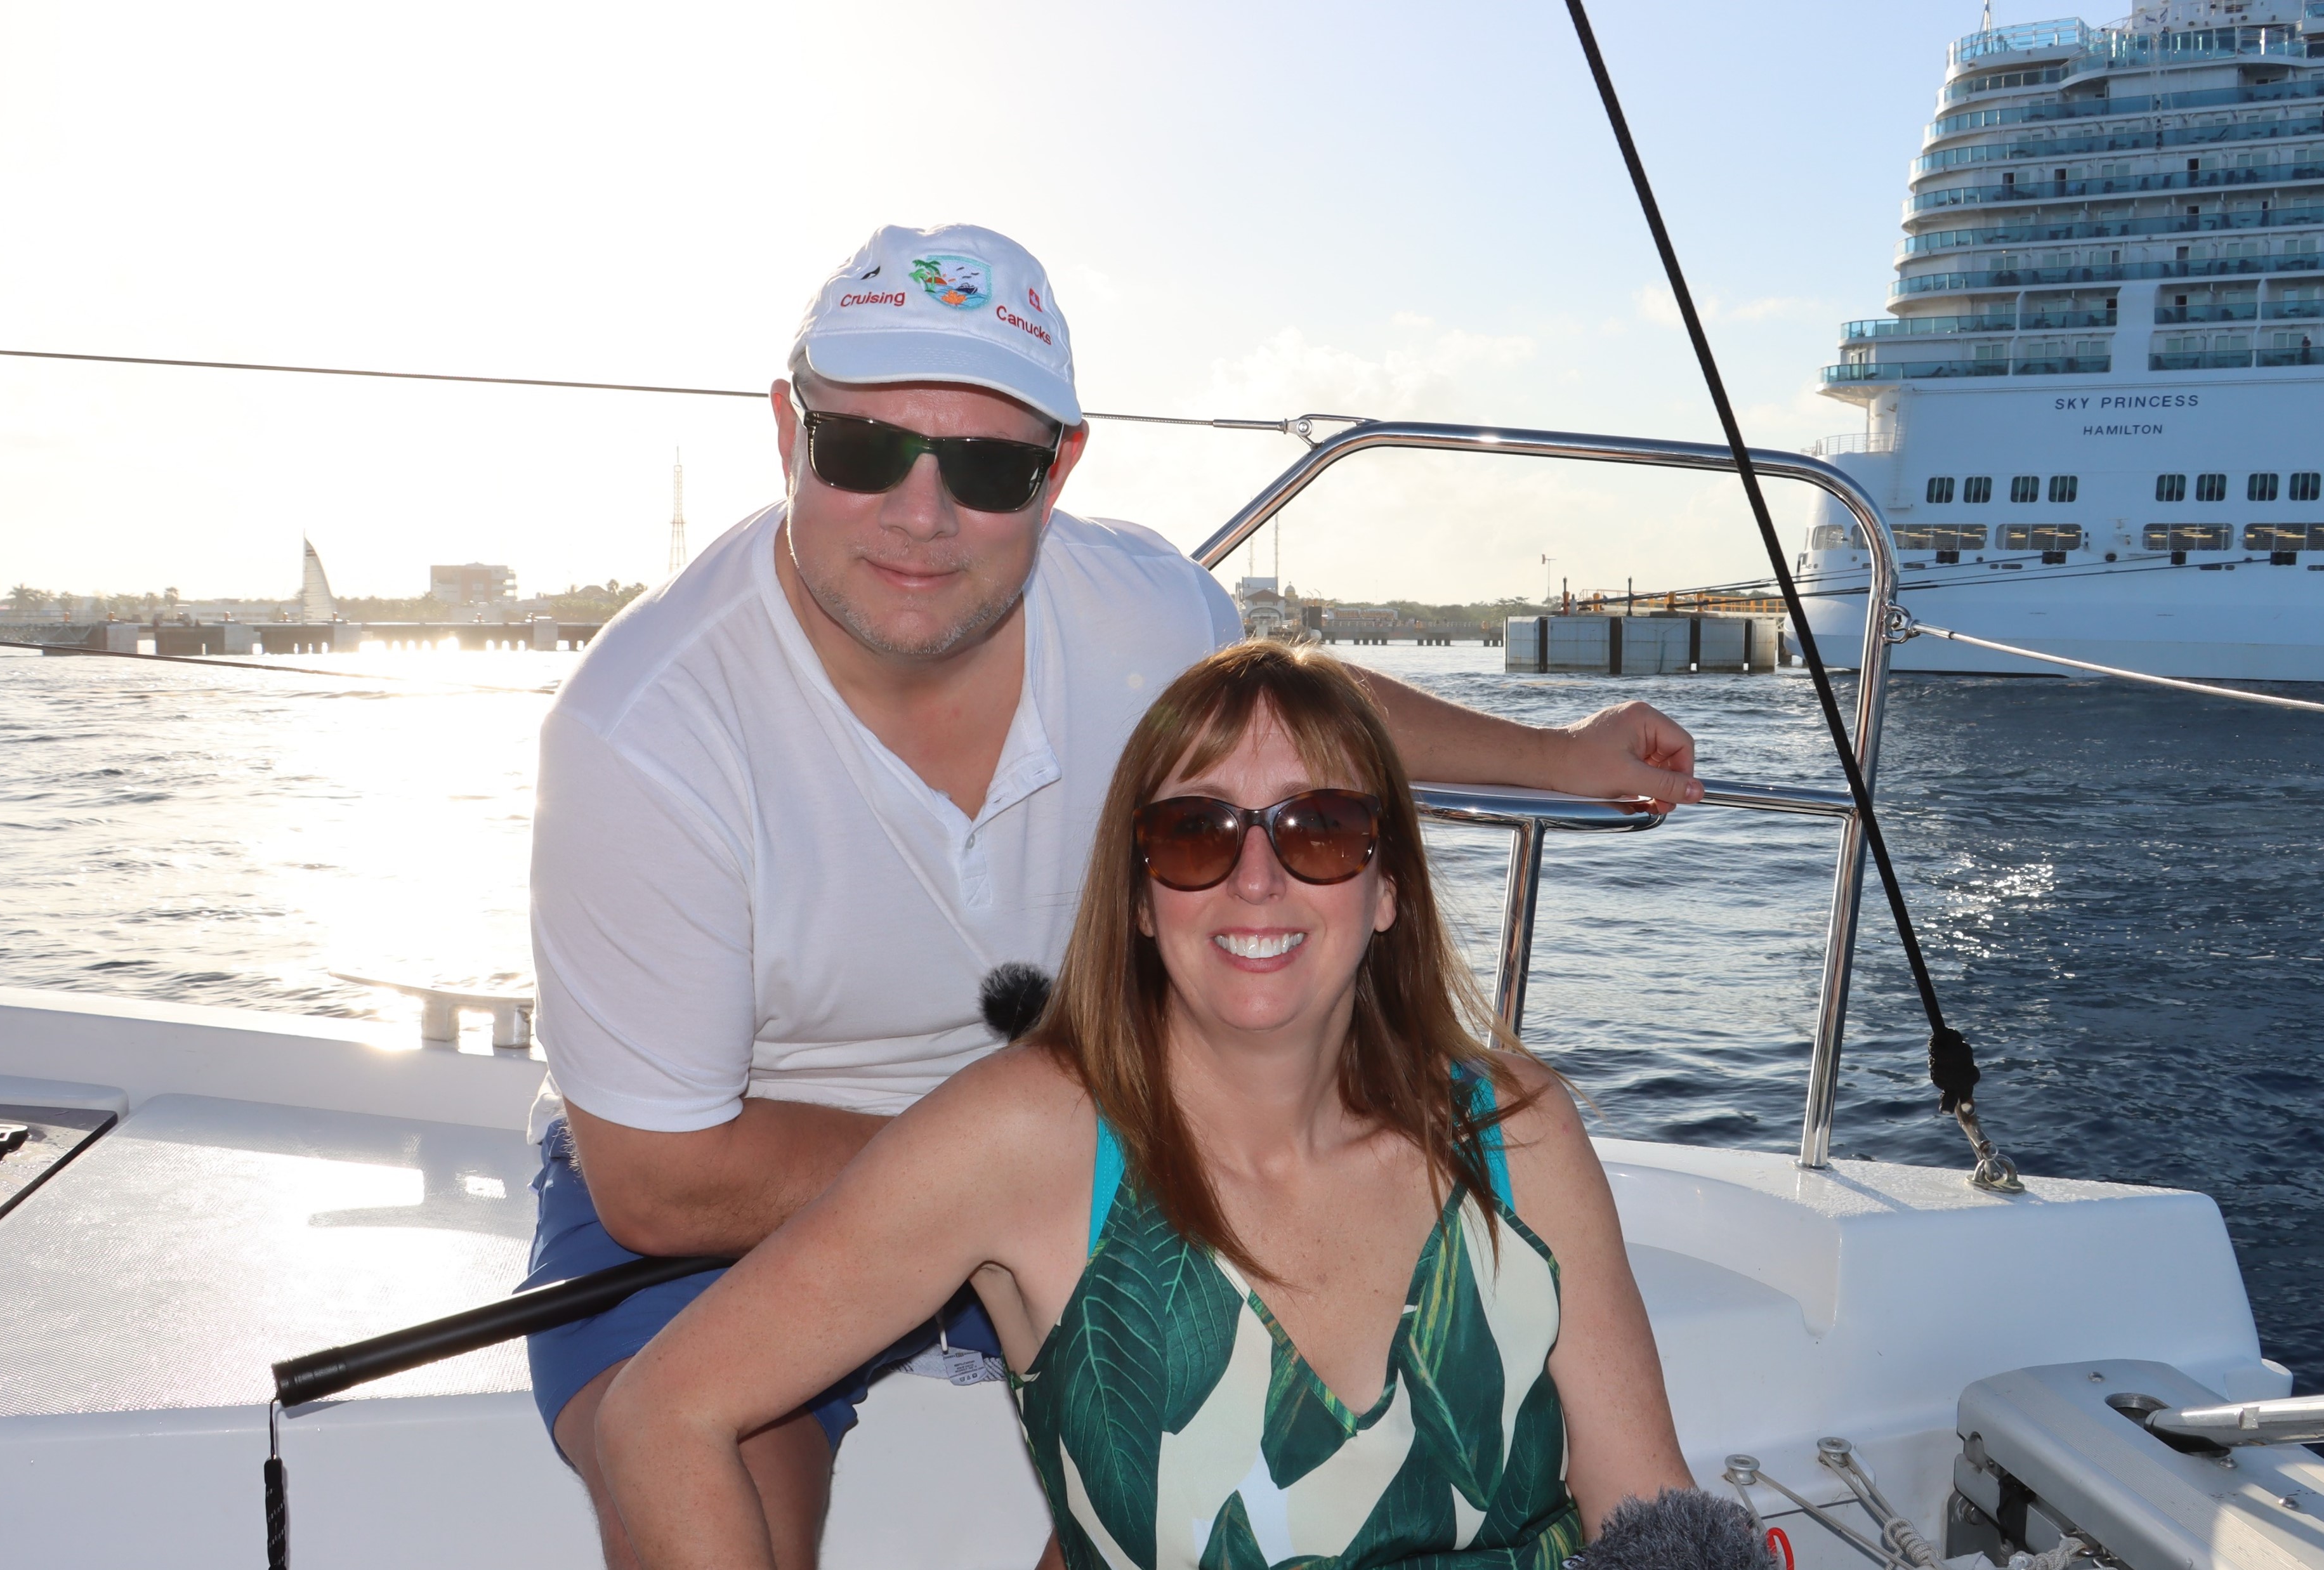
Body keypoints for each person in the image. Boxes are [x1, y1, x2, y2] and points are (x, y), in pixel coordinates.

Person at [525, 222, 1701, 1567]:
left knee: (1193, 1471)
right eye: (862, 450)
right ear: (786, 428)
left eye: (987, 465)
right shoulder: (643, 731)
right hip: (755, 1168)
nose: (923, 512)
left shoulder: (1137, 611)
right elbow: (662, 1183)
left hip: (1093, 1125)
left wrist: (1561, 756)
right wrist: (1021, 1175)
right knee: (703, 1466)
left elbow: (1302, 721)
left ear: (1060, 469)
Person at [594, 641, 1698, 1567]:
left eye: (1317, 831)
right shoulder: (1034, 1142)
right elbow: (662, 1414)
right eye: (1196, 835)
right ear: (1137, 897)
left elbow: (1650, 1513)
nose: (1255, 880)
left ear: (1388, 887)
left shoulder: (1513, 1128)